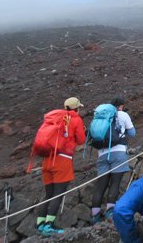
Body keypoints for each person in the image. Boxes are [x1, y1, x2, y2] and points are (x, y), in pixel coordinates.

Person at [36, 97, 86, 236]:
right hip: (62, 160)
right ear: (76, 108)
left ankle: (40, 223)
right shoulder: (75, 119)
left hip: (47, 159)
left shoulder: (55, 119)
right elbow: (81, 140)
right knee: (59, 193)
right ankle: (49, 225)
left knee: (49, 194)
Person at [91, 97, 136, 224]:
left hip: (102, 153)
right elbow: (132, 133)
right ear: (121, 106)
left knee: (101, 185)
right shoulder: (122, 114)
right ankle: (110, 212)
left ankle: (95, 216)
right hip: (118, 152)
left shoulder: (101, 116)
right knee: (115, 183)